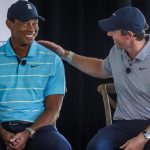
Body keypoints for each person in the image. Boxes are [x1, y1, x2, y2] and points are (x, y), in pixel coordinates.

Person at [38, 6, 150, 150]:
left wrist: (142, 138)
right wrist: (65, 54)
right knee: (96, 147)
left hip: (148, 127)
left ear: (128, 35)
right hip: (123, 124)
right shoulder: (117, 51)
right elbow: (100, 68)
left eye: (113, 30)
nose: (109, 33)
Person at [0, 1, 72, 150]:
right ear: (9, 24)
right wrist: (3, 133)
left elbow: (53, 109)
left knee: (62, 147)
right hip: (1, 125)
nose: (32, 29)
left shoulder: (52, 60)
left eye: (35, 23)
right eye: (26, 23)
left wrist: (27, 133)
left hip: (38, 128)